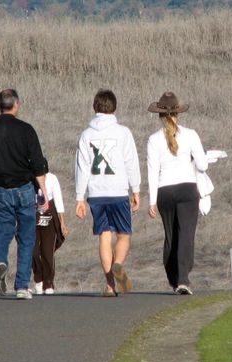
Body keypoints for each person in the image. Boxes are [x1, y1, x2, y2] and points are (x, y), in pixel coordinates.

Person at [0, 88, 49, 300]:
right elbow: (38, 164)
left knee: (2, 232)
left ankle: (0, 261)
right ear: (16, 105)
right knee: (26, 238)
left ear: (0, 105)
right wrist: (43, 192)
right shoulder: (26, 130)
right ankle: (22, 286)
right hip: (24, 189)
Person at [75, 89, 140, 297]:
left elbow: (82, 167)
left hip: (96, 193)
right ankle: (118, 264)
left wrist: (79, 198)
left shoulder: (86, 134)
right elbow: (131, 162)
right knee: (124, 235)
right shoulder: (123, 132)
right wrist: (136, 189)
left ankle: (110, 285)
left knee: (104, 235)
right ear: (114, 107)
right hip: (118, 190)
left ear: (95, 107)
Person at [146, 91, 208, 295]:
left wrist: (152, 202)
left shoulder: (154, 139)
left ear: (160, 115)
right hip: (188, 189)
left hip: (164, 191)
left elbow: (153, 171)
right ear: (178, 114)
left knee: (170, 236)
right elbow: (202, 164)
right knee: (186, 234)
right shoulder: (190, 135)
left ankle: (173, 278)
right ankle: (183, 279)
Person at [32, 169, 69, 295]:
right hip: (33, 216)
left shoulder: (52, 178)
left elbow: (58, 201)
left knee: (47, 251)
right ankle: (38, 280)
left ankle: (48, 282)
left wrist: (62, 222)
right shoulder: (28, 178)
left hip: (50, 217)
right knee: (34, 251)